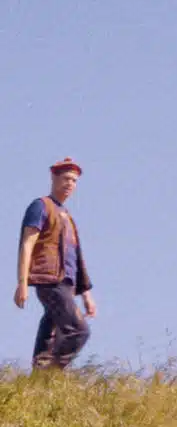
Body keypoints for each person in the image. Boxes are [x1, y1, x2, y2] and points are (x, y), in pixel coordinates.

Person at [14, 158, 97, 369]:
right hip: (49, 279)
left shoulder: (67, 216)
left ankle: (38, 379)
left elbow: (76, 257)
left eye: (74, 181)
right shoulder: (41, 206)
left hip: (67, 282)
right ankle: (50, 373)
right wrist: (22, 282)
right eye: (66, 178)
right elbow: (27, 244)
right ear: (54, 177)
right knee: (78, 330)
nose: (70, 184)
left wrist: (86, 294)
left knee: (50, 333)